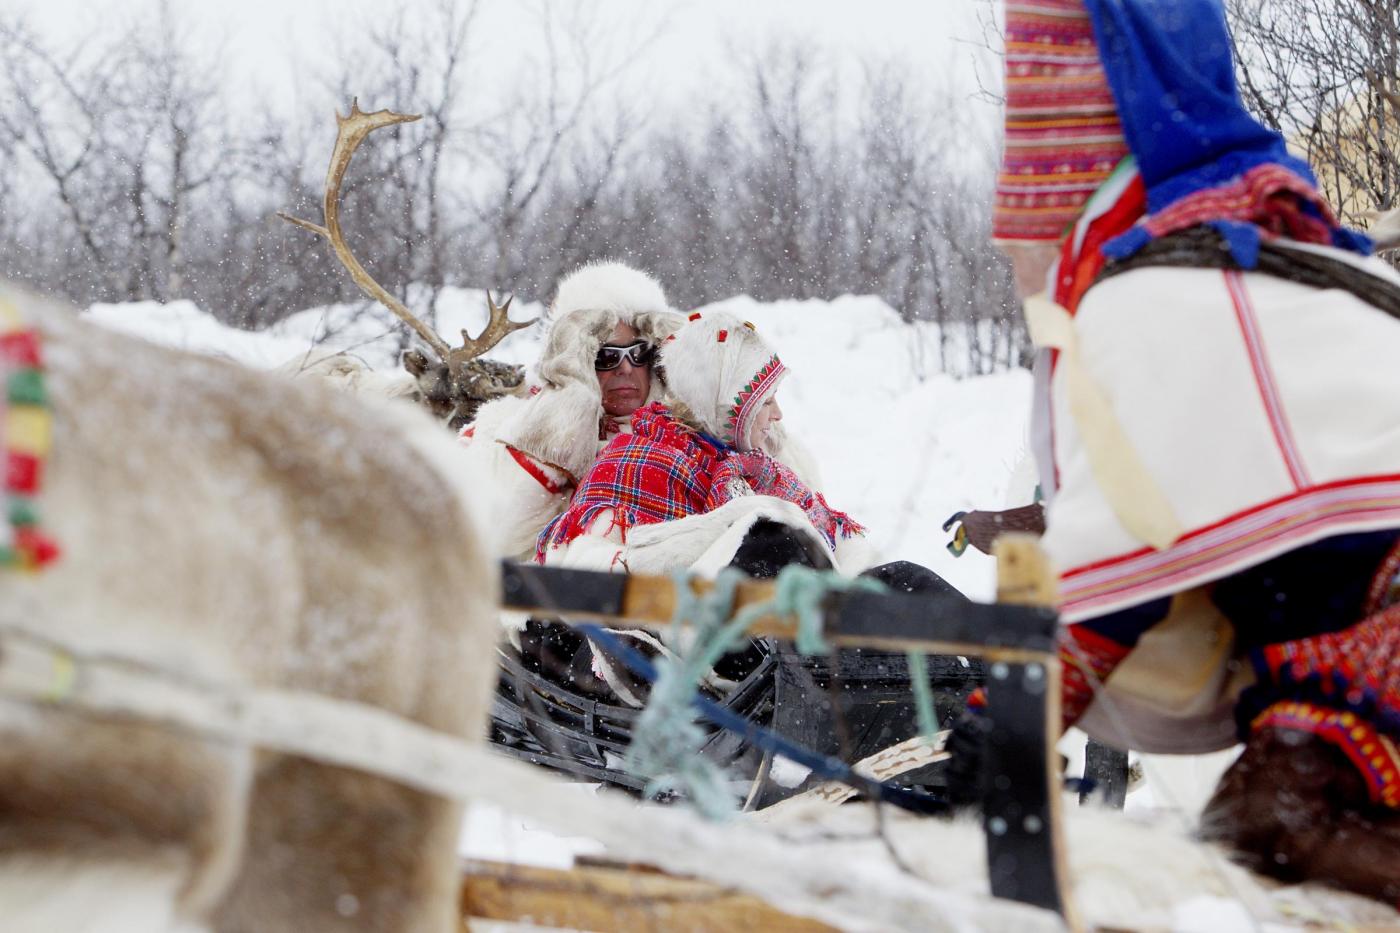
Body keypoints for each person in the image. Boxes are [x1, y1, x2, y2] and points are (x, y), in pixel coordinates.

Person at [950, 0, 1400, 901]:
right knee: (1271, 815)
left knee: (1271, 821)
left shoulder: (1157, 296)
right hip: (1340, 658)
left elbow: (1109, 572)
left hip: (1368, 659)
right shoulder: (1292, 255)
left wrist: (986, 733)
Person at [458, 261, 681, 558]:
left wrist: (689, 357)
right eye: (605, 355)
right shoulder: (499, 431)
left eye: (640, 352)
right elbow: (491, 542)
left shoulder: (680, 436)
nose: (626, 368)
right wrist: (564, 419)